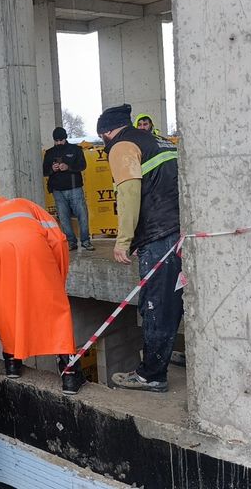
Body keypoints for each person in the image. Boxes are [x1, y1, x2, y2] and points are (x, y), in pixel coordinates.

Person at [97, 103, 183, 393]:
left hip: (159, 234)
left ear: (107, 132)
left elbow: (129, 193)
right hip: (179, 228)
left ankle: (152, 374)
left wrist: (123, 241)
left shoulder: (121, 146)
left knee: (155, 304)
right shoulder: (156, 140)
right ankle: (166, 354)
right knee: (173, 299)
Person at [0, 197, 86, 395]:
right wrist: (56, 277)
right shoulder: (31, 208)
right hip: (31, 247)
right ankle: (69, 375)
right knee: (56, 310)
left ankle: (12, 364)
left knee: (6, 307)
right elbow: (58, 240)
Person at [42, 126, 94, 251]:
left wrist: (68, 167)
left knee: (82, 215)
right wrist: (52, 169)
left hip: (74, 188)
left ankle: (86, 240)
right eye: (56, 140)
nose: (59, 142)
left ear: (66, 138)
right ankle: (71, 242)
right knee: (63, 218)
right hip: (58, 191)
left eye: (61, 140)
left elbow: (82, 165)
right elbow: (44, 171)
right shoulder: (49, 153)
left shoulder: (75, 149)